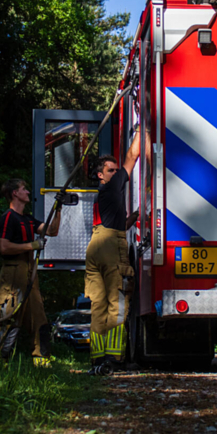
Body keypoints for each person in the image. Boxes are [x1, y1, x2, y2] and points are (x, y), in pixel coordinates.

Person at [85, 127, 145, 376]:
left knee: (98, 305)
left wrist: (136, 216)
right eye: (111, 170)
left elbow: (117, 223)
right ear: (101, 175)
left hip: (96, 245)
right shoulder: (110, 187)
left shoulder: (101, 197)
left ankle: (97, 359)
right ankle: (113, 358)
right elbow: (132, 157)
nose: (116, 172)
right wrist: (142, 129)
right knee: (117, 303)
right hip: (110, 247)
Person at [0, 178, 61, 367]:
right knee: (10, 314)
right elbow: (3, 247)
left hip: (29, 270)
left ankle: (41, 359)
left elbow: (52, 231)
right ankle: (1, 361)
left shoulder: (28, 219)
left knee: (38, 314)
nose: (27, 192)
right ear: (14, 193)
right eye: (24, 189)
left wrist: (59, 208)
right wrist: (31, 245)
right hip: (13, 271)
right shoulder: (8, 217)